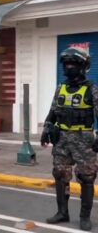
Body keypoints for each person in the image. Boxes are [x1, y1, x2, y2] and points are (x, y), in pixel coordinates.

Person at [41, 47, 98, 231]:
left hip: (84, 140)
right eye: (66, 64)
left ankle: (84, 217)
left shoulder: (92, 90)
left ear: (82, 66)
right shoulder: (61, 88)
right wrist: (46, 128)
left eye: (72, 64)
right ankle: (62, 212)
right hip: (62, 139)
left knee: (86, 178)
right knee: (60, 176)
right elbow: (53, 112)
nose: (68, 67)